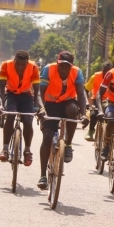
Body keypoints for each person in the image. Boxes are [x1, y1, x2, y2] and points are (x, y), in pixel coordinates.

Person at [36, 51, 89, 189]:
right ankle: (42, 176)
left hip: (67, 103)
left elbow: (81, 95)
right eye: (62, 66)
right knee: (47, 137)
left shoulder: (77, 73)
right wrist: (41, 109)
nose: (64, 69)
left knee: (72, 110)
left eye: (67, 67)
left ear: (72, 66)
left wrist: (83, 114)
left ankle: (69, 145)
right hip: (50, 105)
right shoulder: (48, 69)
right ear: (57, 63)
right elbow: (39, 93)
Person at [0, 50, 40, 166]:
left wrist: (35, 106)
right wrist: (1, 104)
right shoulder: (6, 65)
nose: (21, 67)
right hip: (11, 95)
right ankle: (5, 149)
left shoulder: (33, 67)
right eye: (18, 64)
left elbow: (36, 89)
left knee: (28, 120)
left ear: (27, 63)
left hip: (26, 96)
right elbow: (1, 86)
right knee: (10, 115)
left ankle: (27, 150)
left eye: (23, 65)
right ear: (14, 61)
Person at [84, 61, 112, 141]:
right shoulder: (95, 76)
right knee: (93, 114)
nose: (106, 73)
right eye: (104, 71)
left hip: (109, 100)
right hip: (97, 99)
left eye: (108, 72)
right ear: (102, 70)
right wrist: (87, 101)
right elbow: (85, 89)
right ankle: (91, 131)